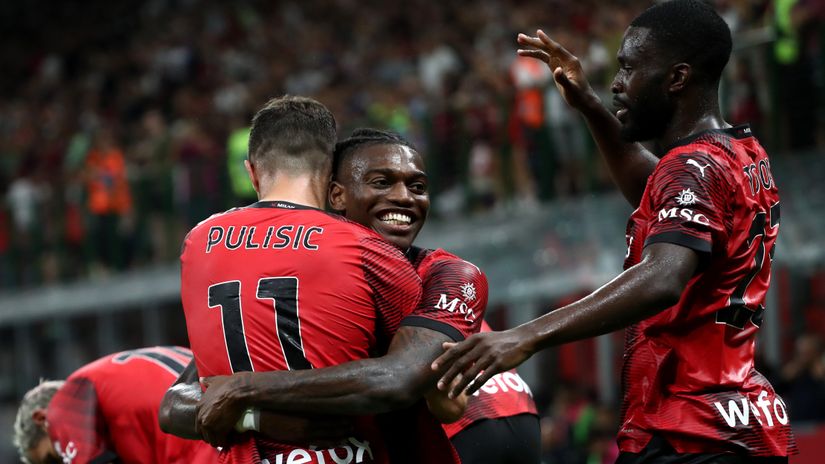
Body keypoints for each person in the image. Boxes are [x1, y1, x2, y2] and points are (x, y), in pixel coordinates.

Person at [432, 1, 797, 462]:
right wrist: (589, 105)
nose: (616, 83)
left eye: (628, 68)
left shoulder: (690, 168)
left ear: (677, 78)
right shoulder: (741, 154)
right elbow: (655, 190)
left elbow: (663, 278)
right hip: (742, 420)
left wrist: (524, 336)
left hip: (689, 431)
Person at [162, 128, 538, 463]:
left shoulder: (451, 275)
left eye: (418, 187)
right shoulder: (290, 277)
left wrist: (246, 391)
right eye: (381, 182)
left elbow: (423, 390)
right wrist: (256, 415)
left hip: (476, 432)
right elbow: (176, 404)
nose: (404, 198)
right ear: (336, 195)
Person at [177, 96, 425, 463]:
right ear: (330, 174)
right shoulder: (366, 248)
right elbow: (408, 375)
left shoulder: (197, 242)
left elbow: (184, 398)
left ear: (252, 172)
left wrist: (252, 412)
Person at [12, 346, 217, 464]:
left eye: (51, 460)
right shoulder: (109, 376)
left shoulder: (64, 405)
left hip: (204, 447)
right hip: (226, 428)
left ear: (41, 418)